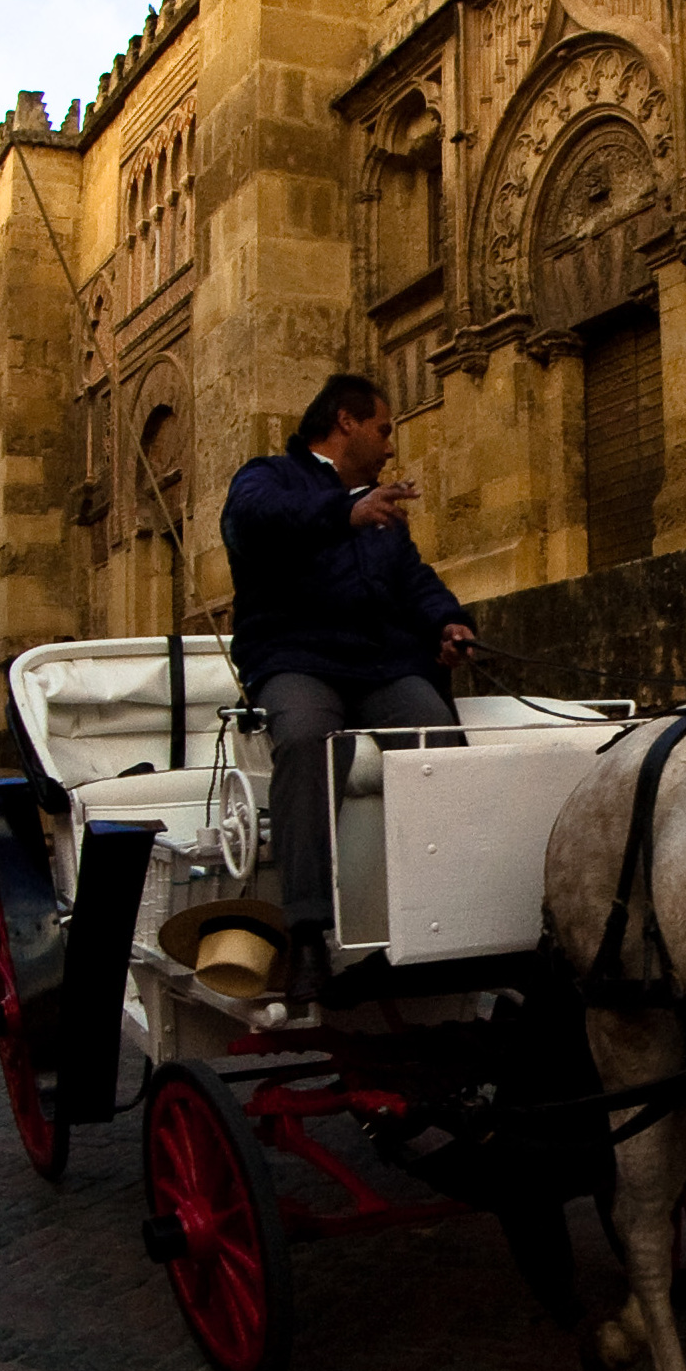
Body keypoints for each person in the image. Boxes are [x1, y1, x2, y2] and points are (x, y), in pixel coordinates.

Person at [221, 373, 474, 984]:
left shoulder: (381, 508)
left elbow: (414, 581)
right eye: (384, 429)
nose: (390, 446)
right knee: (308, 739)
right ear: (346, 422)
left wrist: (449, 621)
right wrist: (345, 510)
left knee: (437, 735)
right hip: (295, 658)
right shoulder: (267, 477)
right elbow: (256, 520)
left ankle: (441, 913)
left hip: (380, 664)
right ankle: (307, 928)